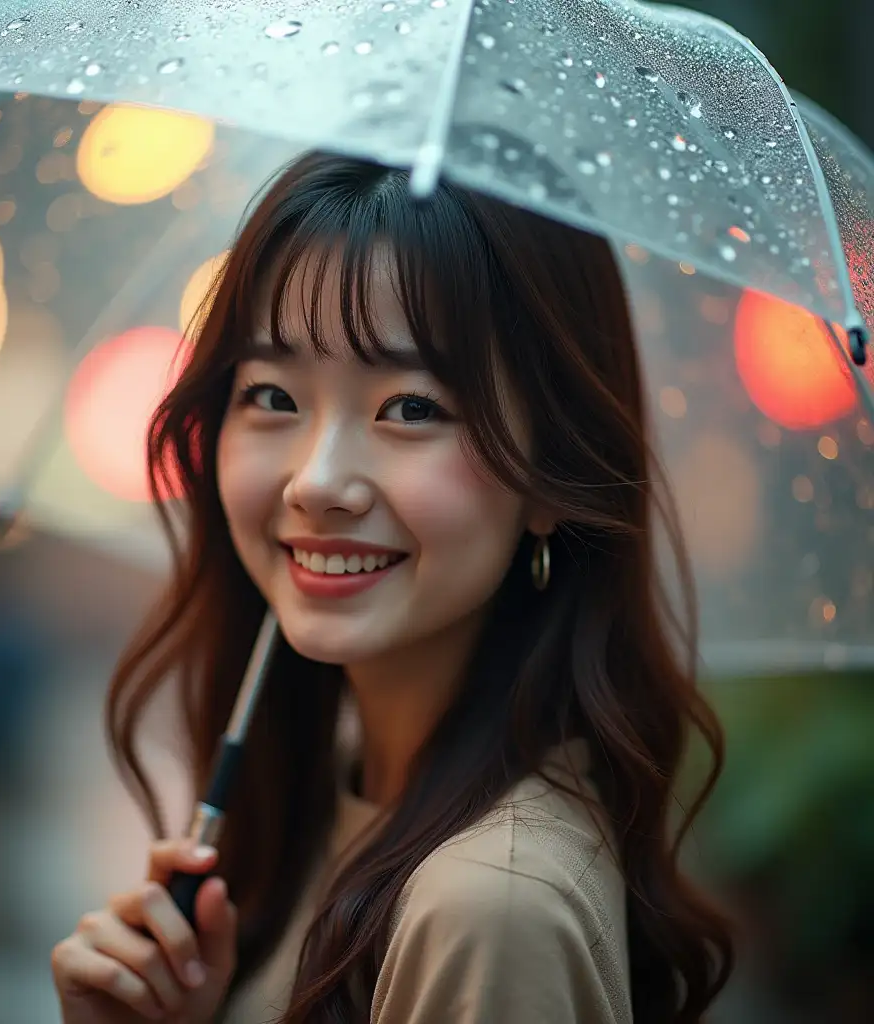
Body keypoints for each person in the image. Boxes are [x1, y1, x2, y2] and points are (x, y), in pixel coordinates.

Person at [51, 152, 735, 1024]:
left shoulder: (489, 912)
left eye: (412, 407)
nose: (317, 482)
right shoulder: (340, 800)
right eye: (271, 394)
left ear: (551, 476)